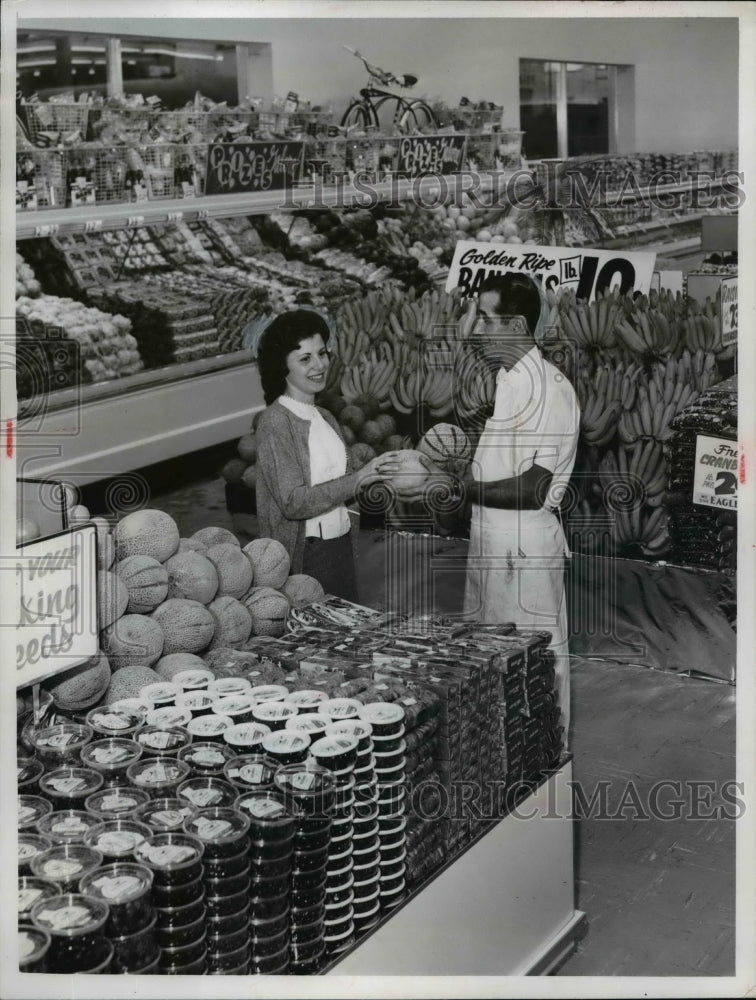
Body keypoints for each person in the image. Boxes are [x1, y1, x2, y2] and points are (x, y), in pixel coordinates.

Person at [457, 272, 581, 739]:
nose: (478, 330)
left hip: (524, 549)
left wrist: (460, 489)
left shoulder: (551, 391)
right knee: (493, 661)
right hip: (492, 538)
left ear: (514, 326)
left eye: (487, 319)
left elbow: (534, 487)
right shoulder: (509, 378)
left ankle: (544, 761)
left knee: (534, 669)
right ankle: (501, 759)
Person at [254, 309, 399, 601]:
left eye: (322, 353)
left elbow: (351, 476)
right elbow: (293, 502)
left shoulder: (325, 416)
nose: (319, 365)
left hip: (343, 546)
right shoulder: (275, 422)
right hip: (306, 556)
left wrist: (396, 473)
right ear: (282, 366)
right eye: (305, 359)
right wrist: (358, 478)